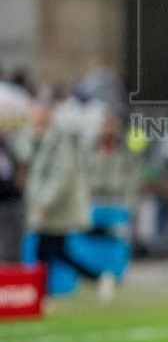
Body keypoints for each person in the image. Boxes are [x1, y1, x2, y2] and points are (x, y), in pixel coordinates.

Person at [19, 100, 115, 301]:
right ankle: (97, 278)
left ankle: (43, 293)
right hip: (48, 205)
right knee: (56, 251)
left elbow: (61, 175)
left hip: (57, 208)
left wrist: (46, 202)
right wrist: (30, 135)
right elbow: (22, 153)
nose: (32, 118)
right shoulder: (40, 138)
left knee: (47, 250)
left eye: (36, 114)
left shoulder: (59, 139)